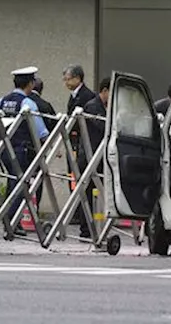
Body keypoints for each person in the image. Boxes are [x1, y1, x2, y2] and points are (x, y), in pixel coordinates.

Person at [0, 66, 52, 234]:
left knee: (11, 184)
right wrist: (49, 145)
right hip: (21, 150)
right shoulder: (27, 103)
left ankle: (10, 220)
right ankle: (12, 222)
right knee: (21, 186)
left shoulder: (3, 100)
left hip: (3, 149)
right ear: (30, 84)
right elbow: (41, 131)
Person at [63, 65, 98, 238]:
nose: (66, 82)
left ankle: (85, 220)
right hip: (74, 144)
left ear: (78, 78)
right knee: (74, 179)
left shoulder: (87, 97)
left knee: (85, 183)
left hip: (84, 145)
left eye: (68, 78)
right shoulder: (74, 96)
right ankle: (79, 216)